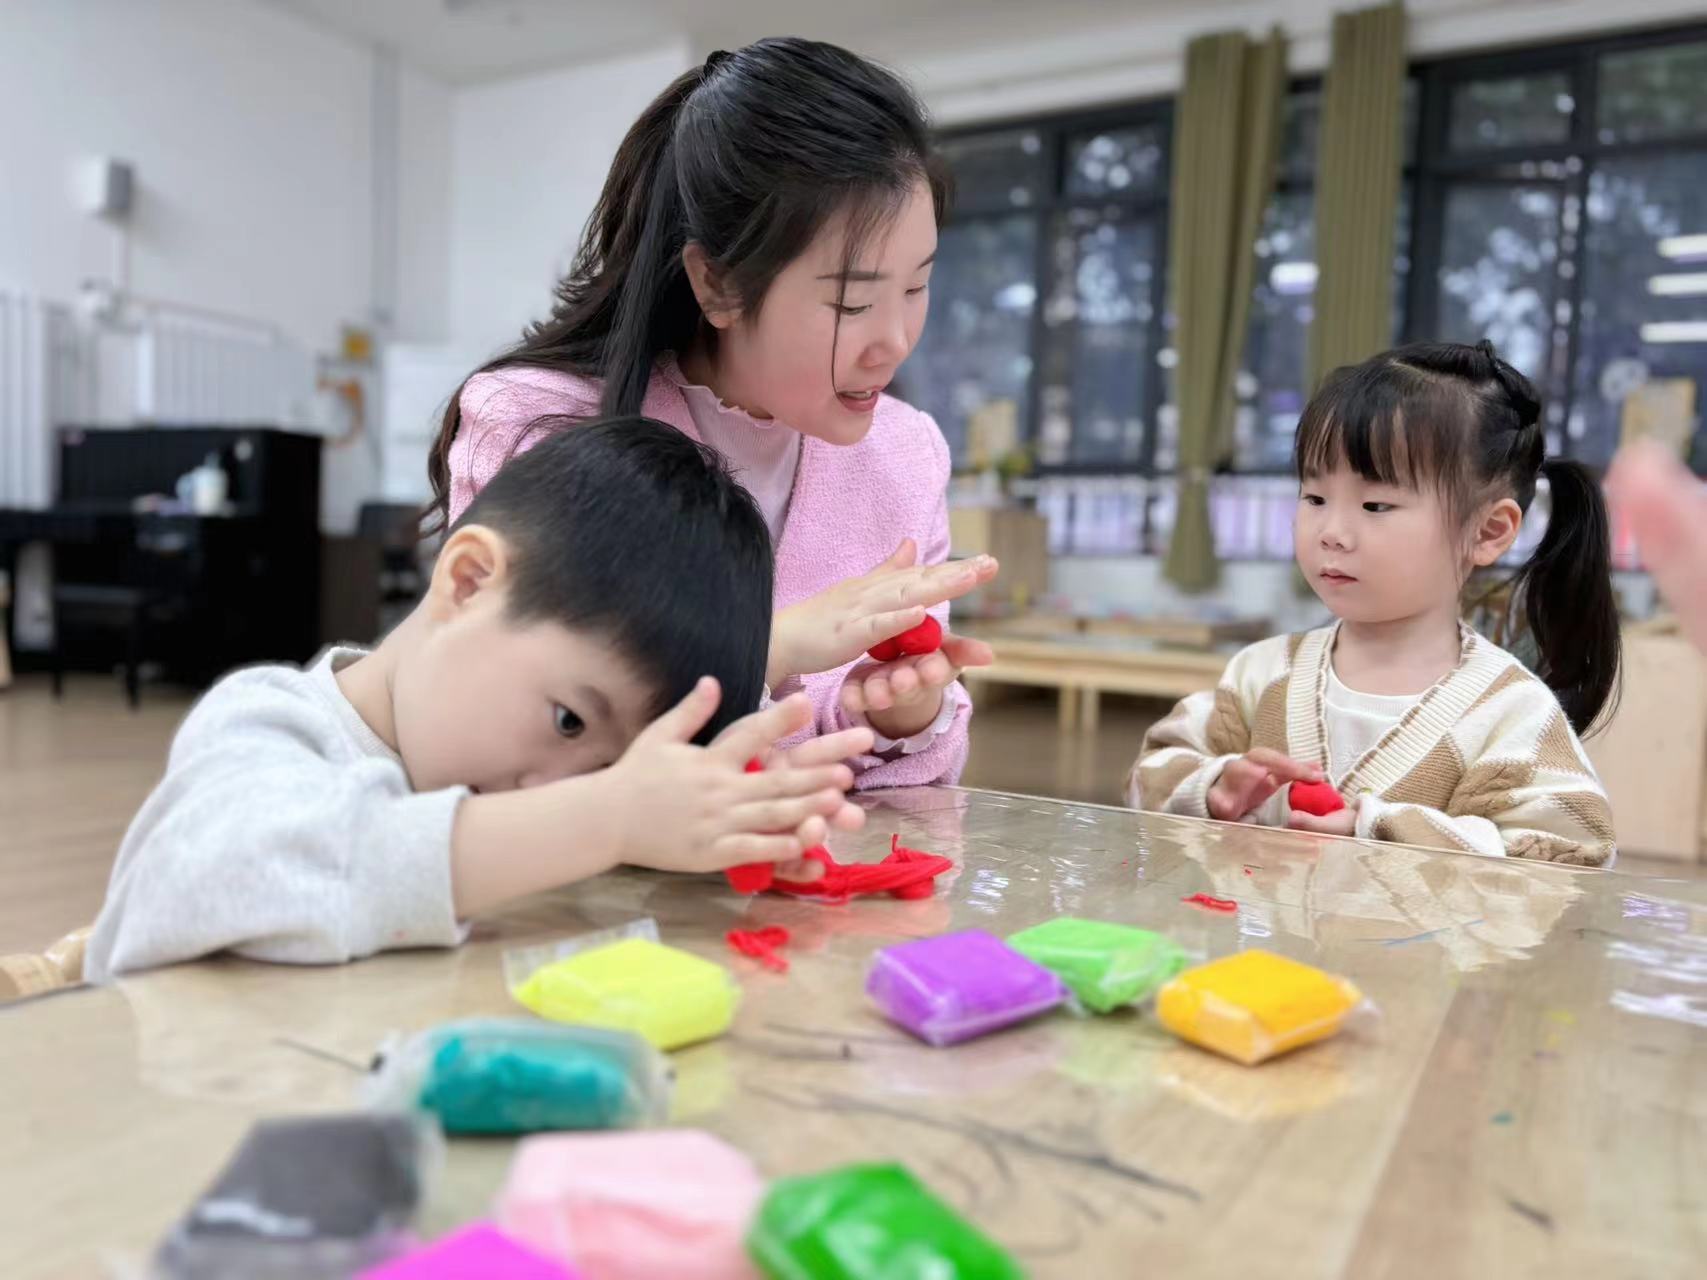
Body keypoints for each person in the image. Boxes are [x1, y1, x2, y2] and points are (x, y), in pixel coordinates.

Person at [87, 420, 872, 980]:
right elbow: (226, 881)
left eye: (603, 772)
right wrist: (610, 814)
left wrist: (726, 831)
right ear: (467, 582)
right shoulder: (268, 726)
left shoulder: (512, 791)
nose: (555, 789)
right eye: (568, 720)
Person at [430, 37, 998, 791]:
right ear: (719, 285)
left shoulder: (905, 453)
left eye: (917, 287)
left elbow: (917, 786)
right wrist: (769, 650)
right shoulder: (541, 425)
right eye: (851, 302)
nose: (894, 341)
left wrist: (900, 716)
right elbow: (503, 745)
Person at [1129, 341, 1618, 866]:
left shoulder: (1508, 711)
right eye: (1315, 497)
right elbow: (1148, 777)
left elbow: (1575, 855)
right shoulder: (1261, 675)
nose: (1331, 532)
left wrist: (1380, 828)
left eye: (1376, 504)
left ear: (1488, 531)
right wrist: (1214, 786)